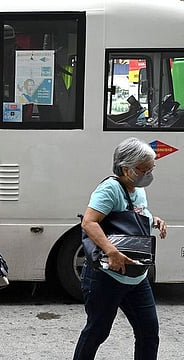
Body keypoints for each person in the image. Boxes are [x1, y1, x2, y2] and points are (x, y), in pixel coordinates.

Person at [73, 137, 167, 360]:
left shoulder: (137, 188)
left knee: (149, 333)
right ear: (126, 168)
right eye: (143, 169)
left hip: (136, 276)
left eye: (151, 168)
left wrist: (153, 219)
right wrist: (111, 251)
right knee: (97, 331)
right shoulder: (109, 189)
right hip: (106, 276)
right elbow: (89, 222)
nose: (148, 173)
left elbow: (132, 216)